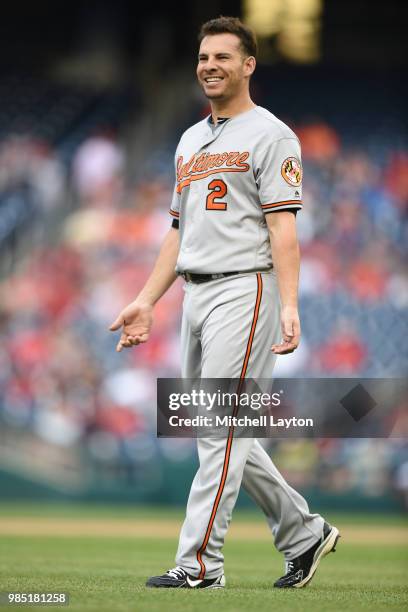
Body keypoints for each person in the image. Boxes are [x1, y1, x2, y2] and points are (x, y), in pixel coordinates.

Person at [110, 16, 339, 590]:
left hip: (247, 286)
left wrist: (290, 304)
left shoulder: (272, 134)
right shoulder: (191, 138)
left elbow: (282, 226)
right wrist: (145, 300)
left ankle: (199, 566)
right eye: (203, 56)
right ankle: (304, 532)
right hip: (195, 290)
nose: (209, 65)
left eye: (222, 57)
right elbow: (177, 231)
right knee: (216, 426)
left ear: (248, 65)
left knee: (220, 428)